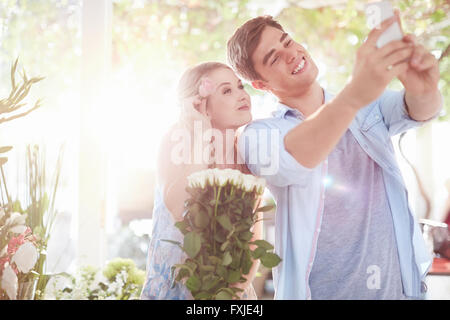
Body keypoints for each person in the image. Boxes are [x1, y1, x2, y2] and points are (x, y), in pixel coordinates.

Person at [227, 11, 443, 300]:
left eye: (287, 42)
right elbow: (295, 157)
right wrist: (353, 95)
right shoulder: (258, 135)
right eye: (274, 57)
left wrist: (425, 85)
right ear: (261, 85)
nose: (291, 53)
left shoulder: (366, 106)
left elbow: (420, 109)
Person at [140, 62, 262, 300]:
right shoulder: (177, 140)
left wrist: (233, 292)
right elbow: (180, 207)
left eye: (240, 86)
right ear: (201, 103)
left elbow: (254, 237)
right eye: (227, 91)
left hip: (231, 294)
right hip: (176, 289)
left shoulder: (247, 154)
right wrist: (202, 132)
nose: (242, 95)